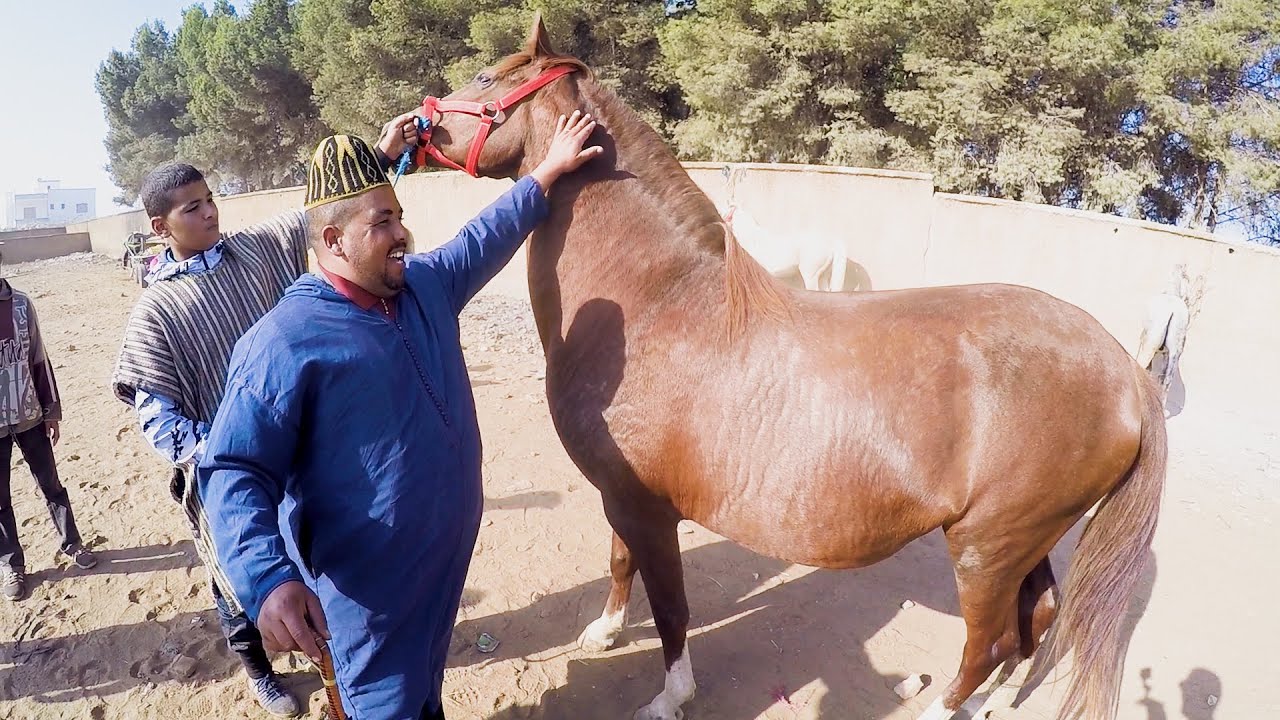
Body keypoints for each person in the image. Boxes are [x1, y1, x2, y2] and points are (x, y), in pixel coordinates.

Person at [197, 112, 601, 720]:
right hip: (369, 598)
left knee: (424, 688)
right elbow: (232, 468)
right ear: (333, 241)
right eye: (381, 222)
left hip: (440, 568)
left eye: (399, 215)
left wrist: (545, 172)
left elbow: (480, 238)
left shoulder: (422, 288)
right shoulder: (283, 342)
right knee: (384, 705)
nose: (402, 233)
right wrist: (269, 579)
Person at [110, 114, 421, 717]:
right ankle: (259, 671)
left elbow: (324, 215)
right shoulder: (154, 311)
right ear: (159, 226)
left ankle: (341, 661)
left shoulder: (256, 252)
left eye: (209, 200)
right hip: (227, 471)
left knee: (309, 561)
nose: (209, 213)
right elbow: (156, 414)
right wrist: (223, 449)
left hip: (294, 453)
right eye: (191, 208)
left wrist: (379, 156)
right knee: (238, 576)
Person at [0, 278, 96, 601]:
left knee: (51, 485)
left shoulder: (22, 305)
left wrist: (51, 410)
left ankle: (72, 543)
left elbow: (39, 359)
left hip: (30, 415)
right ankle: (12, 564)